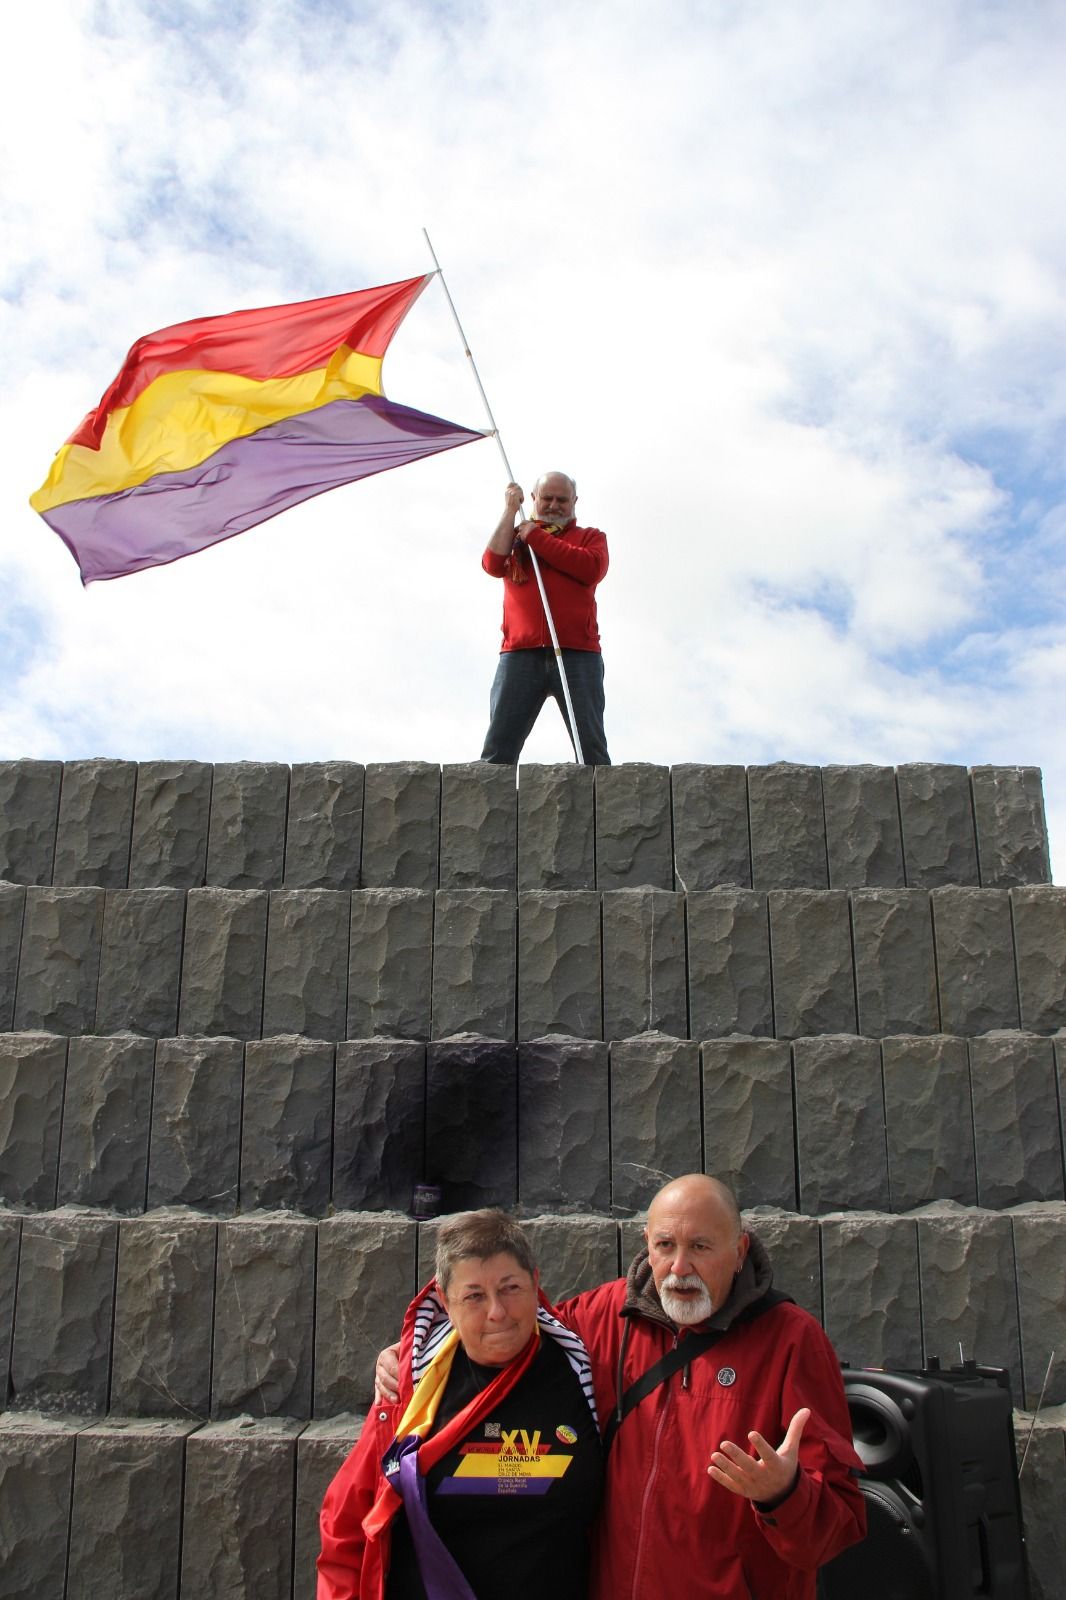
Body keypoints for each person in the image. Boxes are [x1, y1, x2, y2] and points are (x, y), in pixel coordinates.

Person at [377, 1176, 865, 1600]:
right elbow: (505, 1324)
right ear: (646, 1244)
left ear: (739, 1251)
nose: (679, 1268)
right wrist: (411, 1351)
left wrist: (784, 1494)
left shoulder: (794, 1342)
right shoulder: (599, 1319)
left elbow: (839, 1528)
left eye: (701, 1246)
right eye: (665, 1246)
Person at [317, 1209, 603, 1600]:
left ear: (535, 1283)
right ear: (444, 1302)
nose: (496, 1312)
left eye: (510, 1288)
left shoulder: (586, 1365)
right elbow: (347, 1522)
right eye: (474, 1296)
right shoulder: (412, 1390)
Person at [480, 472, 610, 765]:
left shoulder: (590, 537)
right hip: (519, 653)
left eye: (562, 500)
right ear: (534, 499)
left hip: (578, 654)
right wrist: (510, 510)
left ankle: (597, 808)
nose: (554, 505)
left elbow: (590, 568)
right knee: (498, 750)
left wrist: (535, 537)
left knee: (591, 749)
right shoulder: (516, 537)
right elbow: (492, 564)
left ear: (574, 502)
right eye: (547, 498)